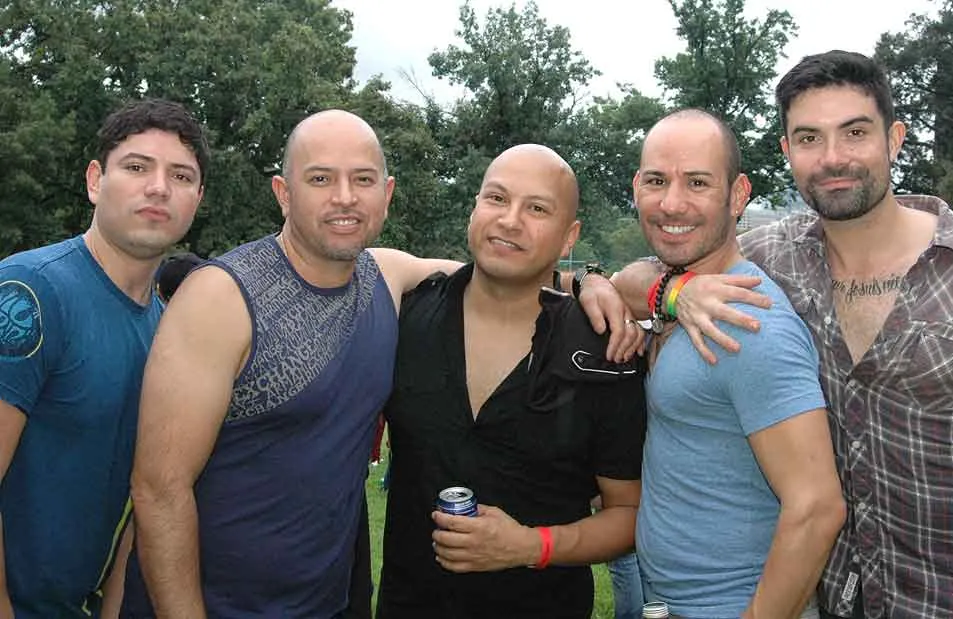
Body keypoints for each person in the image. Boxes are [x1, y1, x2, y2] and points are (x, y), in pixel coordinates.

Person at [122, 112, 641, 618]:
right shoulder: (221, 297)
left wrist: (591, 281)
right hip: (218, 603)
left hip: (334, 600)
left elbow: (504, 269)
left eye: (363, 179)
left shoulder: (385, 279)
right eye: (320, 178)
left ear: (386, 194)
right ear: (283, 192)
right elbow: (158, 490)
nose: (344, 197)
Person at [621, 51, 953, 619]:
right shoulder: (772, 258)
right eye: (808, 138)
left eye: (855, 132)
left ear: (895, 139)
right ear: (787, 151)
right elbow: (639, 273)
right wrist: (673, 293)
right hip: (833, 596)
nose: (832, 158)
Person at [376, 144, 647, 619]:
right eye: (497, 198)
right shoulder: (406, 317)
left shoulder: (603, 353)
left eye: (537, 208)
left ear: (569, 236)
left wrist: (531, 546)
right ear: (474, 209)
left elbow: (629, 515)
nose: (510, 220)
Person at [629, 109, 845, 619]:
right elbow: (626, 283)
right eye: (657, 181)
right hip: (669, 599)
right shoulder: (682, 295)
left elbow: (817, 508)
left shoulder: (750, 325)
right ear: (637, 187)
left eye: (697, 182)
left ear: (737, 195)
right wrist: (649, 290)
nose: (672, 202)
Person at [0, 98, 208, 619]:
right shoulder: (30, 292)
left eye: (181, 176)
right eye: (137, 167)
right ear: (95, 181)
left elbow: (147, 500)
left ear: (197, 200)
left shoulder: (168, 332)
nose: (158, 187)